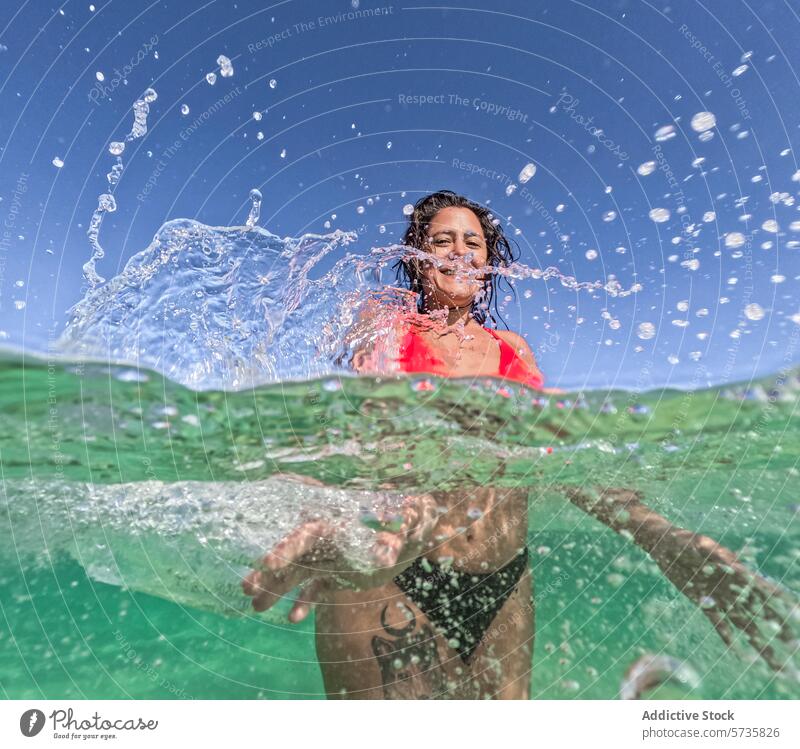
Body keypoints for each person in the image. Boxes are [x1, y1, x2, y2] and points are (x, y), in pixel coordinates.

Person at [242, 191, 797, 699]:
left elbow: (559, 457)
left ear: (488, 265)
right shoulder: (385, 322)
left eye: (473, 243)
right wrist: (355, 524)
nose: (459, 252)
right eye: (441, 240)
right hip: (389, 572)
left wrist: (664, 538)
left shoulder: (512, 351)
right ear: (415, 256)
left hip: (501, 584)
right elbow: (365, 426)